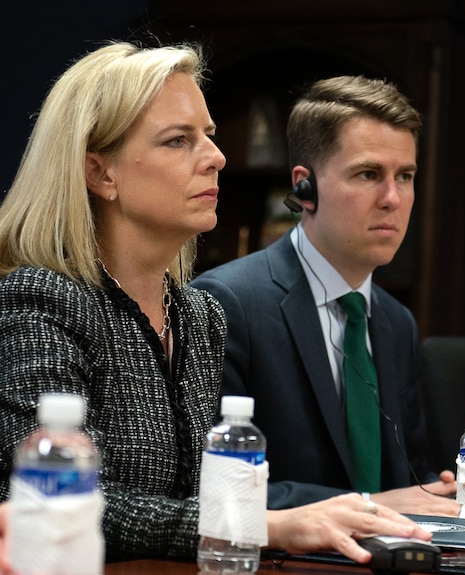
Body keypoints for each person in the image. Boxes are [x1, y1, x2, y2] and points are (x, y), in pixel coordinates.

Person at [0, 41, 429, 567]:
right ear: (100, 173)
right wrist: (268, 524)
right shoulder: (41, 301)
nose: (216, 157)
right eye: (179, 141)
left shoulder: (198, 316)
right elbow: (68, 505)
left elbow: (201, 496)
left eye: (210, 136)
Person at [191, 76, 460, 515]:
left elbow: (409, 476)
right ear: (305, 189)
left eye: (405, 176)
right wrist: (369, 505)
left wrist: (436, 494)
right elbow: (215, 489)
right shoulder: (226, 303)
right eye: (369, 174)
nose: (393, 198)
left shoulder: (395, 322)